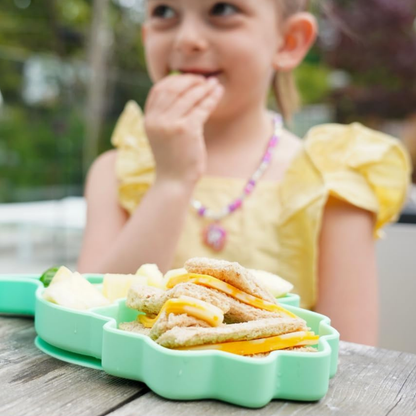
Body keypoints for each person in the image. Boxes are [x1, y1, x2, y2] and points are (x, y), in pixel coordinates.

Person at [77, 0, 411, 346]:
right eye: (164, 12)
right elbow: (88, 323)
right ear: (146, 35)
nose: (186, 39)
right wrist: (171, 182)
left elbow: (351, 354)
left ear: (289, 41)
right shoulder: (114, 172)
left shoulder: (334, 181)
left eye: (222, 10)